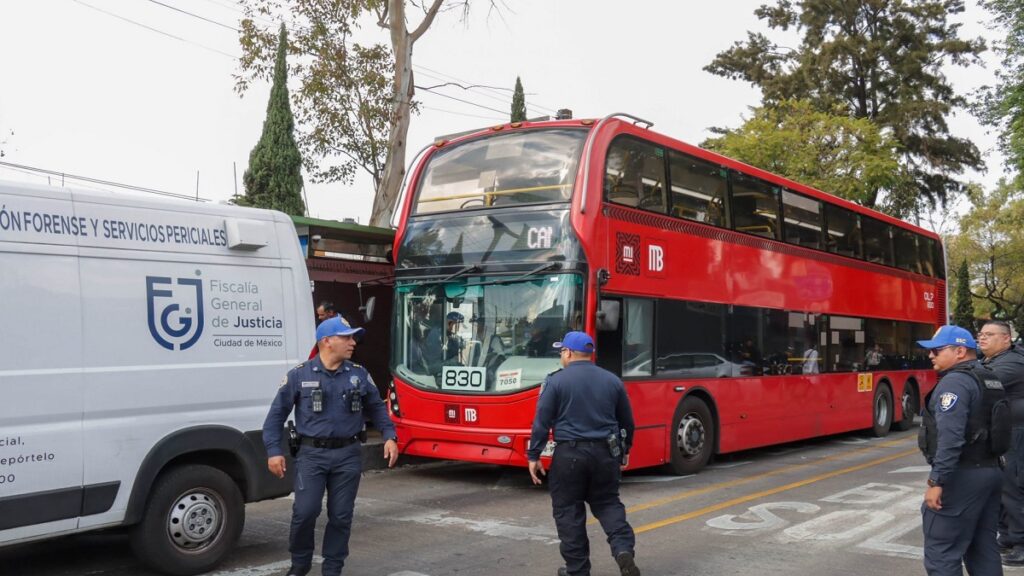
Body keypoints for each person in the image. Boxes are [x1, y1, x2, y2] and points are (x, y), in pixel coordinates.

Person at [263, 315, 399, 576]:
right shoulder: (299, 375)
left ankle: (333, 568)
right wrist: (273, 451)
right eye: (346, 337)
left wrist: (390, 436)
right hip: (311, 455)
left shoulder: (359, 374)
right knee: (305, 512)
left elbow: (377, 407)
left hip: (348, 455)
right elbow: (275, 417)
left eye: (353, 338)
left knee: (341, 515)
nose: (353, 343)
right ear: (326, 341)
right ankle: (300, 563)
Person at [527, 331, 641, 576]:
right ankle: (623, 549)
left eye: (561, 351)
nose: (561, 355)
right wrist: (625, 449)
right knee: (608, 504)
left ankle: (577, 570)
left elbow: (541, 421)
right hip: (606, 454)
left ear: (568, 353)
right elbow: (627, 422)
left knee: (568, 512)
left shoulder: (556, 381)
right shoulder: (612, 380)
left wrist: (534, 455)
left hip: (569, 454)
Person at [918, 325, 1004, 576]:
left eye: (937, 350)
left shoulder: (954, 383)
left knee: (941, 552)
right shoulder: (990, 378)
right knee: (983, 549)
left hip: (962, 475)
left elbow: (951, 438)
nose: (931, 355)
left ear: (959, 351)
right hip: (991, 471)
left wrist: (937, 481)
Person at [978, 320, 1024, 566]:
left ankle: (1021, 543)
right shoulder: (991, 360)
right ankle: (1007, 536)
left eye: (989, 334)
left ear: (1006, 338)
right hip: (1004, 432)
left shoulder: (1012, 362)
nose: (982, 338)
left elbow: (982, 383)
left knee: (1015, 486)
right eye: (981, 334)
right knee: (1003, 487)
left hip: (1017, 432)